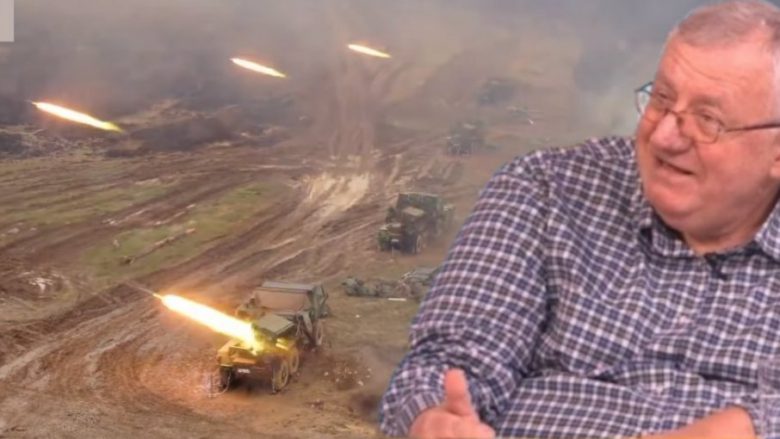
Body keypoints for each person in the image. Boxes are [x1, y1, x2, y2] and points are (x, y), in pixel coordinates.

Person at [378, 1, 780, 438]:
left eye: (708, 120)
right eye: (661, 99)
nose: (664, 137)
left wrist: (752, 426)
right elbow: (448, 363)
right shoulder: (545, 188)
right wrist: (434, 420)